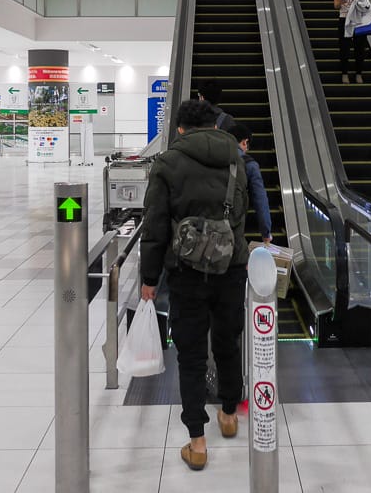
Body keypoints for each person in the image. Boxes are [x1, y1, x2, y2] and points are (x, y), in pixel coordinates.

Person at [140, 99, 249, 472]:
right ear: (215, 127)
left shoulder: (167, 162)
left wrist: (149, 278)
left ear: (181, 129)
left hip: (186, 271)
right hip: (231, 267)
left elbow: (154, 226)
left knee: (190, 355)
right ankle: (231, 414)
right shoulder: (236, 159)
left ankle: (198, 442)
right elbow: (240, 213)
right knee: (228, 342)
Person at [229, 123, 272, 243]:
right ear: (244, 142)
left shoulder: (213, 157)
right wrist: (266, 232)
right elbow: (260, 200)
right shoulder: (249, 164)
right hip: (235, 223)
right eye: (247, 146)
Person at [332, 0, 370, 84]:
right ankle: (345, 74)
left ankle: (359, 73)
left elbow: (367, 6)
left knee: (360, 48)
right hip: (344, 19)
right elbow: (336, 6)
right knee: (345, 48)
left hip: (359, 21)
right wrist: (344, 0)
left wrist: (360, 4)